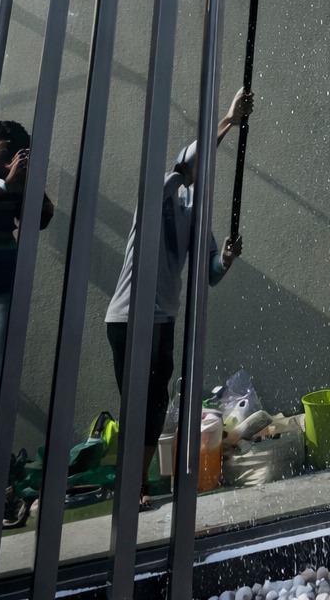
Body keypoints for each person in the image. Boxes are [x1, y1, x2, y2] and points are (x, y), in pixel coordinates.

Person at [105, 88, 253, 507]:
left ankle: (134, 486)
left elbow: (208, 275)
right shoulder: (159, 191)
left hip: (162, 319)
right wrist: (227, 121)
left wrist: (225, 259)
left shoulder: (197, 214)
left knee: (153, 404)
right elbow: (184, 166)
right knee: (139, 401)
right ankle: (129, 484)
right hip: (126, 317)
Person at [0, 121, 55, 484]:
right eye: (3, 145)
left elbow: (41, 218)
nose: (7, 154)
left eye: (15, 149)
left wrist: (31, 182)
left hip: (0, 290)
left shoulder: (16, 178)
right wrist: (6, 181)